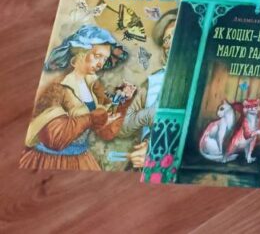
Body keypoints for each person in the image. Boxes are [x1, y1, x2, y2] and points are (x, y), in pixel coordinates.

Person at [21, 24, 135, 170]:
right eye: (97, 56)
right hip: (52, 160)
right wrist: (91, 119)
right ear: (81, 52)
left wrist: (122, 103)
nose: (100, 63)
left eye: (104, 59)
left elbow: (106, 133)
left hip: (81, 157)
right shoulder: (58, 87)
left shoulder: (94, 87)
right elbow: (54, 138)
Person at [121, 10, 176, 169]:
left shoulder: (202, 80)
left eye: (175, 36)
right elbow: (124, 127)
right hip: (142, 163)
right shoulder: (153, 80)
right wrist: (148, 115)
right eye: (166, 39)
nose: (169, 44)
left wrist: (154, 149)